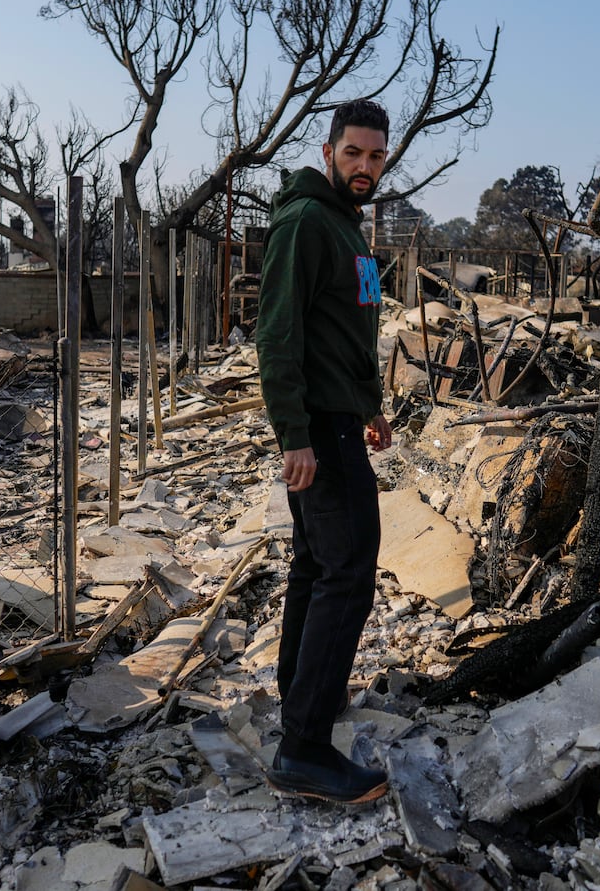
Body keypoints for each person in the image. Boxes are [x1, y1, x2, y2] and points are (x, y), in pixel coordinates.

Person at [255, 98, 394, 804]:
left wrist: (369, 406)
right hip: (318, 428)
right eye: (353, 154)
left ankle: (302, 695)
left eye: (375, 155)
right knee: (350, 571)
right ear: (328, 150)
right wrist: (295, 435)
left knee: (317, 564)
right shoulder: (307, 221)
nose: (365, 166)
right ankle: (304, 747)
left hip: (344, 419)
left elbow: (353, 331)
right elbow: (275, 334)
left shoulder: (351, 228)